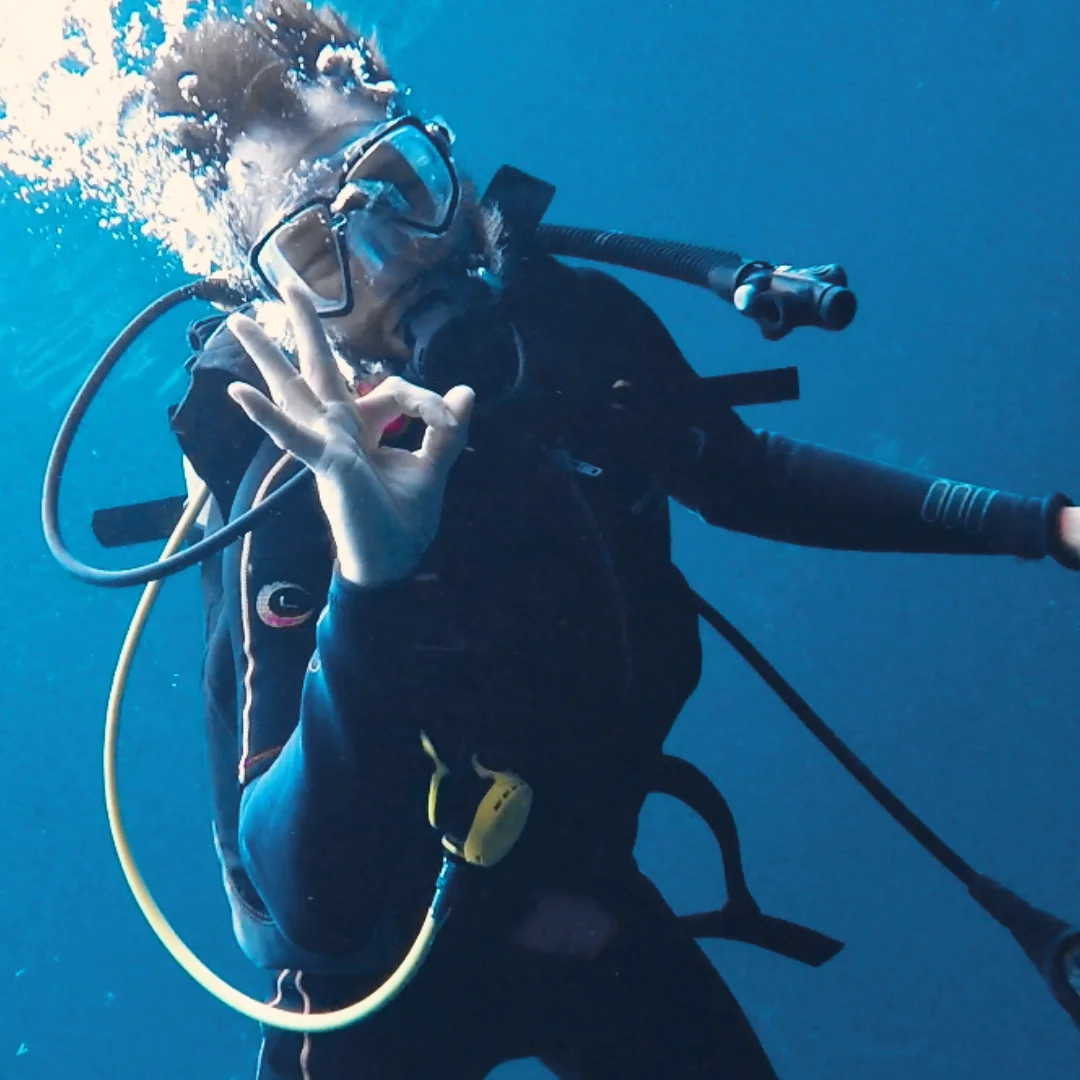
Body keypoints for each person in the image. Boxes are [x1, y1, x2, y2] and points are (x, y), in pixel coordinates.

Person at [146, 2, 1080, 1077]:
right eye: (320, 250)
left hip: (584, 886)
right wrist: (371, 581)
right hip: (377, 979)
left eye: (397, 188)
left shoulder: (570, 331)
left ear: (440, 155)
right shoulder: (293, 495)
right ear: (275, 304)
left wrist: (1046, 525)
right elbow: (300, 907)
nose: (392, 258)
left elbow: (746, 478)